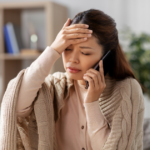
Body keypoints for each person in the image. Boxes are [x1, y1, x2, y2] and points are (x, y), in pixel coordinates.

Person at [15, 9, 145, 150]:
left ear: (107, 56)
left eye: (85, 52)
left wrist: (92, 103)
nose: (72, 59)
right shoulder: (53, 87)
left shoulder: (127, 89)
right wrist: (53, 49)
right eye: (67, 49)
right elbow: (15, 105)